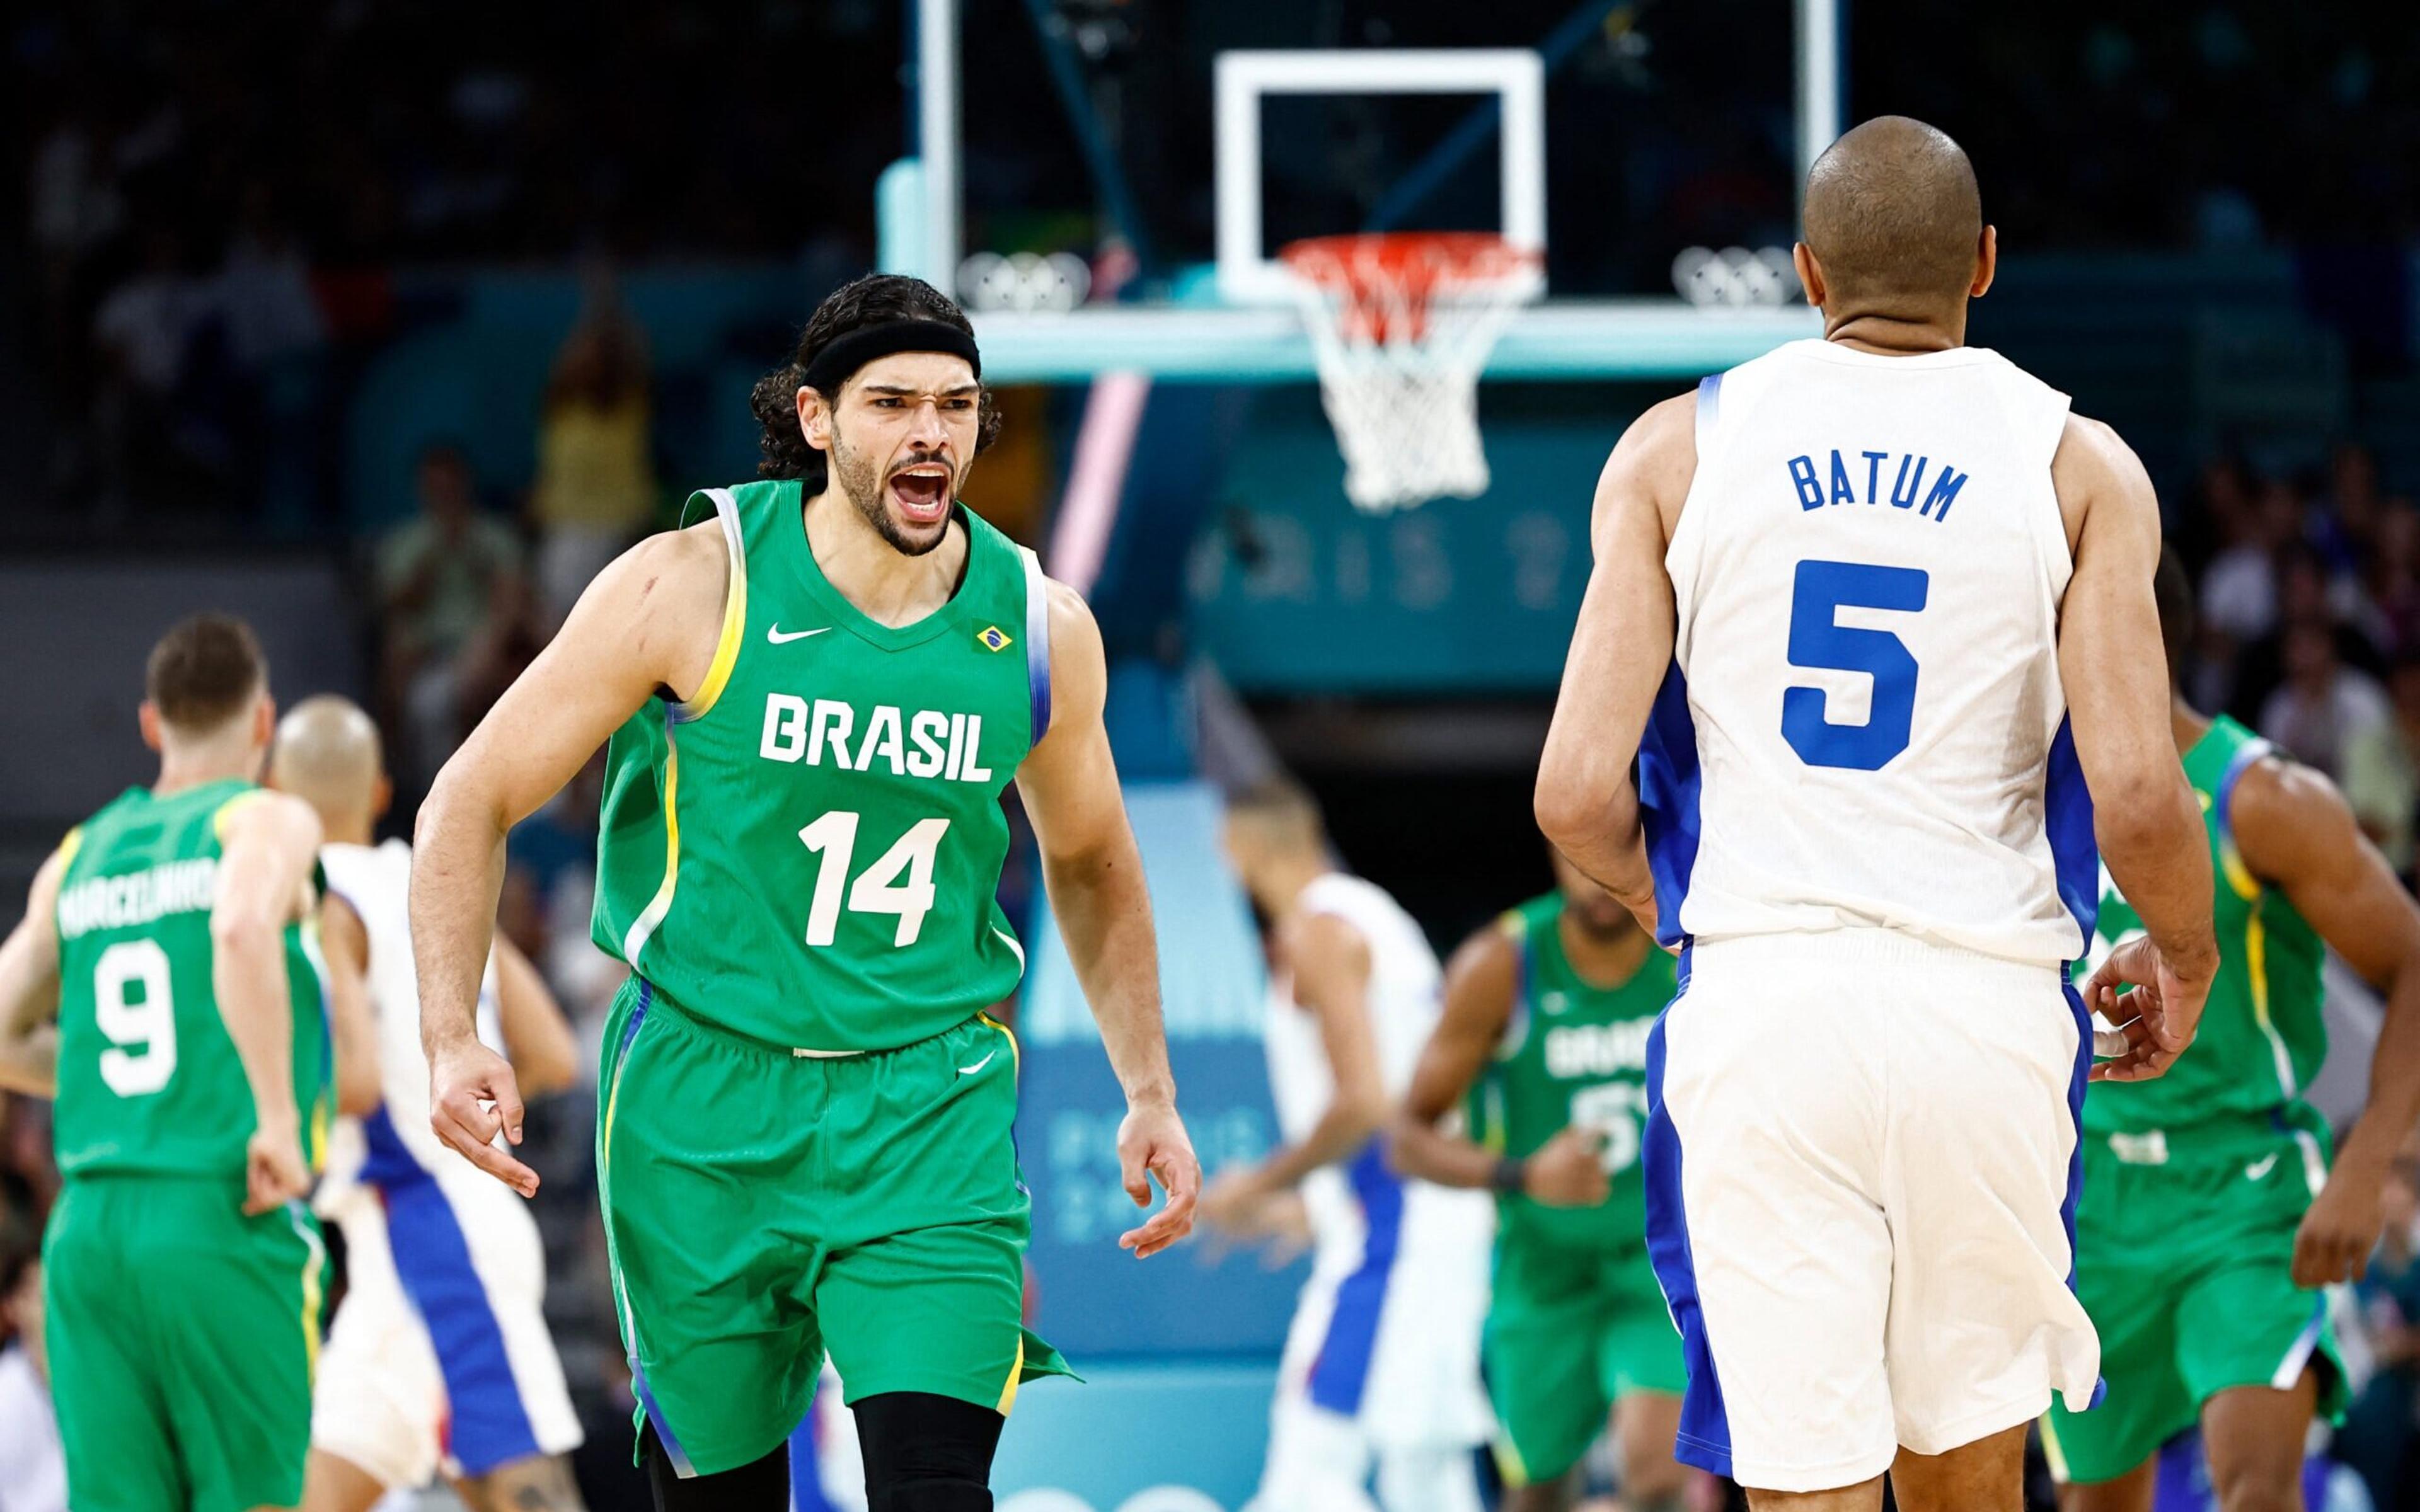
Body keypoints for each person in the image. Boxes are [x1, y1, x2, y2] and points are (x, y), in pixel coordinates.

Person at [408, 273, 1201, 1512]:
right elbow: (470, 796)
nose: (930, 431)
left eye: (956, 404)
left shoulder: (1040, 630)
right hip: (701, 1100)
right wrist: (454, 1030)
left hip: (923, 1101)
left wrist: (1147, 1084)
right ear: (818, 420)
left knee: (939, 1489)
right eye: (892, 402)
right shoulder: (692, 584)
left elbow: (1093, 859)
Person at [1533, 115, 2218, 1512]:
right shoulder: (2079, 464)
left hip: (1767, 1002)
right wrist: (2189, 959)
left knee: (1804, 1481)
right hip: (1985, 1005)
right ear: (1983, 263)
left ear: (1804, 275)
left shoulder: (1677, 448)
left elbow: (1569, 792)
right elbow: (2142, 788)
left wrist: (1669, 901)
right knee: (1970, 1480)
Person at [2043, 554, 2420, 1512]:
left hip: (2242, 1190)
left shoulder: (2265, 801)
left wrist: (2366, 1164)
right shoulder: (2032, 806)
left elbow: (2413, 960)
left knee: (2256, 1490)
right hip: (2088, 1199)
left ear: (2129, 643)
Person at [0, 613, 379, 1512]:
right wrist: (280, 1122)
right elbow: (241, 925)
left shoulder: (78, 854)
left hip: (87, 1232)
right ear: (262, 723)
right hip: (218, 1211)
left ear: (149, 725)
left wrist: (97, 1074)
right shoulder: (264, 816)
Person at [265, 696, 590, 1512]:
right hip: (416, 1240)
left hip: (433, 1234)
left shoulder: (318, 900)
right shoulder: (431, 883)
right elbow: (549, 1054)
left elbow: (356, 1080)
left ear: (273, 792)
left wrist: (255, 1113)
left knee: (526, 1493)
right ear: (378, 793)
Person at [1201, 779, 1494, 1512]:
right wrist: (1312, 1211)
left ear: (1240, 850)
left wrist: (1257, 1187)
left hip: (1395, 1232)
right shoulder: (1380, 916)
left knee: (1313, 1467)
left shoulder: (1318, 932)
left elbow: (1364, 1102)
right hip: (1418, 1219)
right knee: (1422, 1472)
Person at [1390, 847, 1689, 1512]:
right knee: (1540, 1489)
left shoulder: (1683, 951)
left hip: (1657, 1260)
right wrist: (1522, 1174)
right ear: (1554, 847)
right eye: (1581, 852)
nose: (1598, 870)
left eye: (1616, 845)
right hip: (1542, 1266)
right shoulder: (1502, 961)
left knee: (1659, 1473)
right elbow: (1405, 1140)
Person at [0, 1218, 64, 1512]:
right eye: (34, 1294)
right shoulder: (6, 1394)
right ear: (12, 1307)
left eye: (50, 1288)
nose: (46, 1304)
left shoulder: (99, 1376)